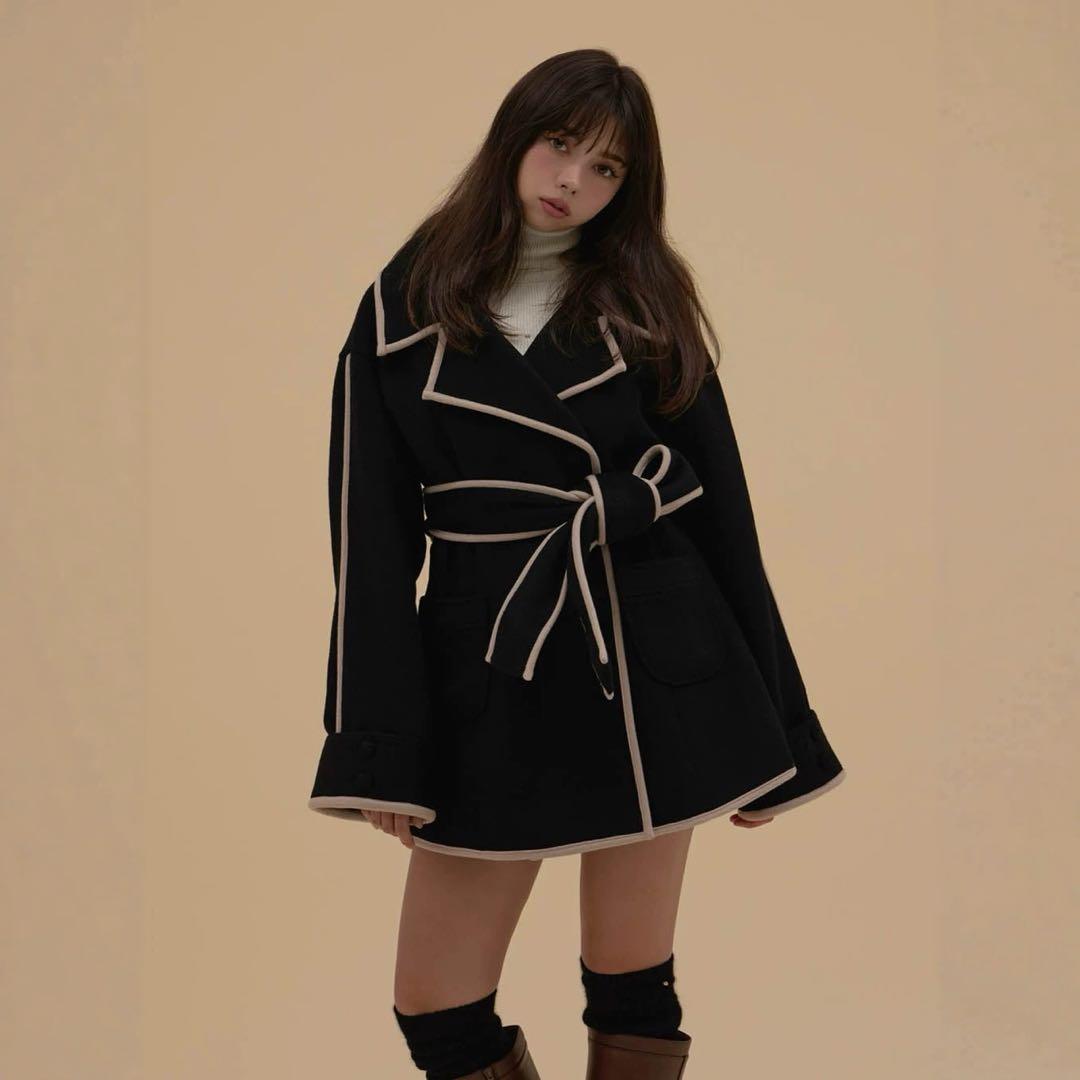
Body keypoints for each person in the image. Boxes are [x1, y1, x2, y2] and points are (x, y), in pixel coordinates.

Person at [307, 48, 846, 1080]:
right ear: (515, 136)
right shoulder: (398, 308)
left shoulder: (647, 300)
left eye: (606, 169)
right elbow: (369, 541)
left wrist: (780, 727)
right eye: (561, 145)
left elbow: (726, 517)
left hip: (657, 660)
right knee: (437, 1007)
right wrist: (381, 743)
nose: (573, 182)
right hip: (492, 664)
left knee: (632, 979)